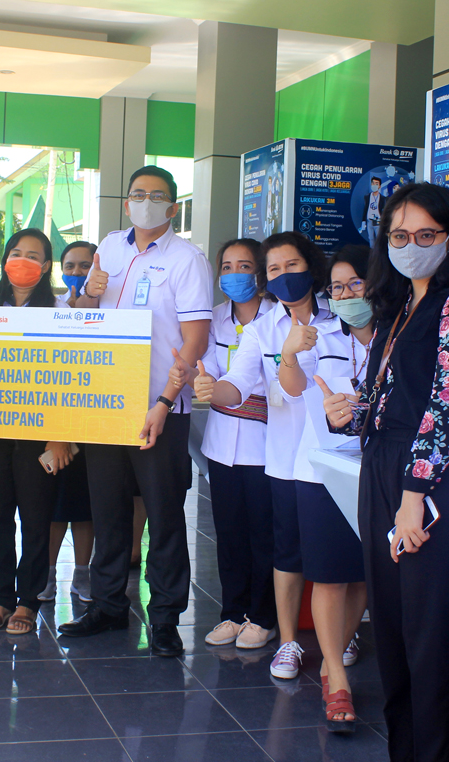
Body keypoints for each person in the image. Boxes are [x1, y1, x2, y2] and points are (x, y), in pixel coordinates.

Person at [323, 185, 449, 761]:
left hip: (434, 479)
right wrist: (351, 414)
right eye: (399, 236)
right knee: (391, 629)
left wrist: (414, 494)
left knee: (430, 635)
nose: (412, 246)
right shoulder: (397, 307)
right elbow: (392, 396)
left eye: (426, 236)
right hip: (385, 467)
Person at [193, 231, 365, 732]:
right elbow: (239, 382)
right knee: (286, 553)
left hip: (345, 460)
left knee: (349, 561)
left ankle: (345, 634)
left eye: (291, 264)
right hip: (288, 461)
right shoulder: (265, 328)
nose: (282, 275)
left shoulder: (343, 316)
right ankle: (288, 638)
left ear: (311, 267)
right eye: (272, 269)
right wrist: (212, 388)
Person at [58, 165, 212, 658]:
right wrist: (89, 292)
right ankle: (106, 607)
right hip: (107, 403)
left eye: (157, 196)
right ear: (127, 203)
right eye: (137, 194)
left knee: (165, 515)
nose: (146, 202)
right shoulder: (110, 246)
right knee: (108, 513)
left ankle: (165, 618)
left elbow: (196, 338)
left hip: (159, 407)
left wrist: (165, 402)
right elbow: (83, 313)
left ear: (172, 207)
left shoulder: (188, 260)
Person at [174, 237, 277, 650]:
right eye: (228, 266)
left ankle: (262, 617)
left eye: (245, 265)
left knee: (263, 535)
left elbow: (272, 386)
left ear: (261, 272)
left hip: (267, 446)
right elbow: (209, 374)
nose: (235, 274)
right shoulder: (215, 318)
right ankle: (232, 614)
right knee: (230, 534)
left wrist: (224, 388)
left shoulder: (278, 319)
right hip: (222, 446)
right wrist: (210, 384)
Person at [0, 228, 72, 635]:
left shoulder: (63, 309)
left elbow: (72, 374)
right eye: (16, 253)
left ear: (46, 266)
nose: (23, 261)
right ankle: (0, 599)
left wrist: (62, 433)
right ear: (4, 259)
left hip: (40, 429)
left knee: (35, 517)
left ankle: (27, 602)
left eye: (34, 255)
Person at [40, 240, 97, 603]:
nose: (77, 273)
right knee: (52, 505)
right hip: (50, 423)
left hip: (93, 421)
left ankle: (82, 573)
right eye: (71, 266)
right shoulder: (51, 308)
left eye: (85, 266)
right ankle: (44, 575)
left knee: (84, 507)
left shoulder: (108, 309)